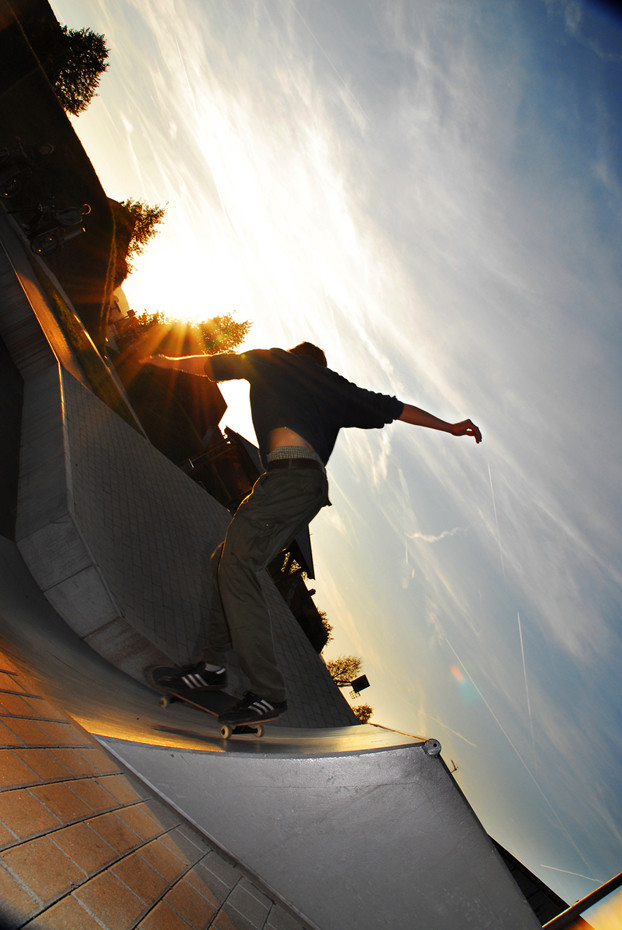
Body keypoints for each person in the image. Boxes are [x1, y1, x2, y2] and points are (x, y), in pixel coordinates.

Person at [144, 342, 482, 727]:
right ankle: (211, 666)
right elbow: (398, 409)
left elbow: (207, 365)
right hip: (301, 483)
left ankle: (266, 692)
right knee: (225, 560)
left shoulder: (271, 359)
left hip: (290, 477)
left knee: (237, 564)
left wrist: (160, 359)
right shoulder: (335, 387)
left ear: (295, 354)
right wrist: (450, 426)